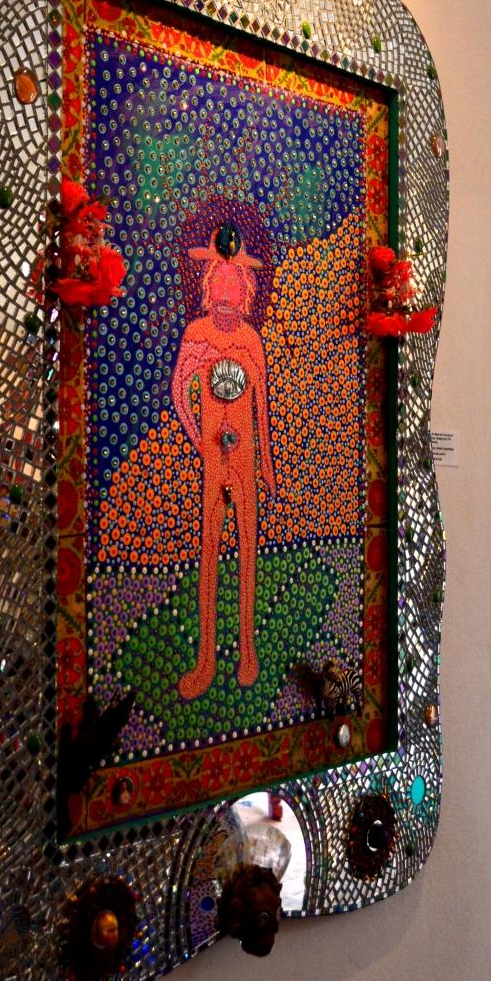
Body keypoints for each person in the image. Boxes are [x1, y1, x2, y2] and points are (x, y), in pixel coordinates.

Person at [171, 223, 276, 699]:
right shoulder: (197, 334)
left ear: (245, 291)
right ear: (210, 287)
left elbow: (262, 406)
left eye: (236, 285)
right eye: (222, 284)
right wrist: (199, 440)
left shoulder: (252, 340)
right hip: (215, 460)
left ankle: (248, 652)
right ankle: (206, 660)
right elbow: (179, 393)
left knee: (248, 554)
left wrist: (267, 466)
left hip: (245, 461)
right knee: (209, 554)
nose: (228, 294)